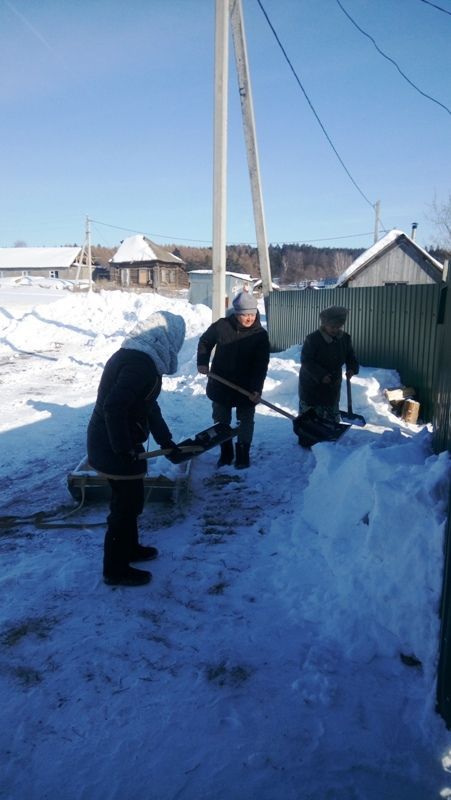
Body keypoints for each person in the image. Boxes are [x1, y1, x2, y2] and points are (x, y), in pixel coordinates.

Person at [87, 311, 185, 587]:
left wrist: (166, 442)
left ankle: (129, 549)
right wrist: (122, 448)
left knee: (132, 502)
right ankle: (115, 569)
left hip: (119, 441)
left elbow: (148, 406)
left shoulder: (140, 358)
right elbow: (114, 407)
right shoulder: (138, 363)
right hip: (112, 443)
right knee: (124, 507)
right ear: (164, 338)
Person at [197, 291, 270, 469]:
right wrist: (202, 362)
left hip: (247, 386)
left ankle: (243, 453)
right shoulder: (222, 326)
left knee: (246, 420)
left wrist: (256, 390)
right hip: (221, 382)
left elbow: (261, 365)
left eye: (252, 314)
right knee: (221, 419)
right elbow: (205, 341)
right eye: (245, 314)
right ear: (236, 313)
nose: (249, 318)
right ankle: (226, 452)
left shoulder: (259, 335)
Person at [298, 305, 358, 424]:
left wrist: (352, 368)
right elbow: (306, 360)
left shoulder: (345, 338)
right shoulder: (313, 339)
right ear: (324, 324)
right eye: (332, 326)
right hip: (312, 382)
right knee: (311, 415)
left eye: (338, 327)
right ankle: (308, 433)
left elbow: (350, 355)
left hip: (333, 382)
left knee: (330, 409)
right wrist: (321, 375)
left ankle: (330, 431)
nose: (335, 330)